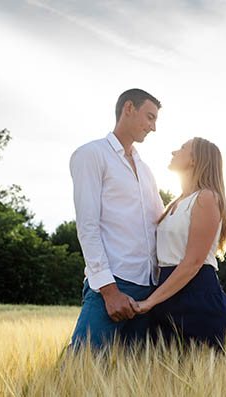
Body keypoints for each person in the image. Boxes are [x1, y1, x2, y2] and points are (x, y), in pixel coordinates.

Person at [69, 88, 164, 349]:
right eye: (150, 117)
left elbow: (159, 223)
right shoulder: (91, 154)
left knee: (138, 381)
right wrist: (109, 291)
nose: (153, 127)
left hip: (149, 290)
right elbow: (87, 227)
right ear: (129, 108)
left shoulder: (145, 169)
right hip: (113, 286)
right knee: (80, 372)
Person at [134, 137, 226, 350]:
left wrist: (150, 302)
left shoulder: (206, 197)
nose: (173, 152)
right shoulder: (176, 203)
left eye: (181, 148)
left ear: (194, 160)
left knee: (207, 377)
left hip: (197, 295)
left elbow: (193, 262)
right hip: (167, 291)